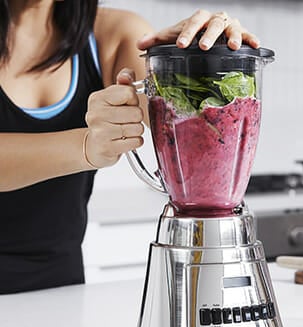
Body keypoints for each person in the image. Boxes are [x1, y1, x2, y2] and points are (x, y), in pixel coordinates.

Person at [0, 0, 259, 294]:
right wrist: (85, 146)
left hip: (60, 291)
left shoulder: (114, 34)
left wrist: (206, 58)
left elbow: (186, 120)